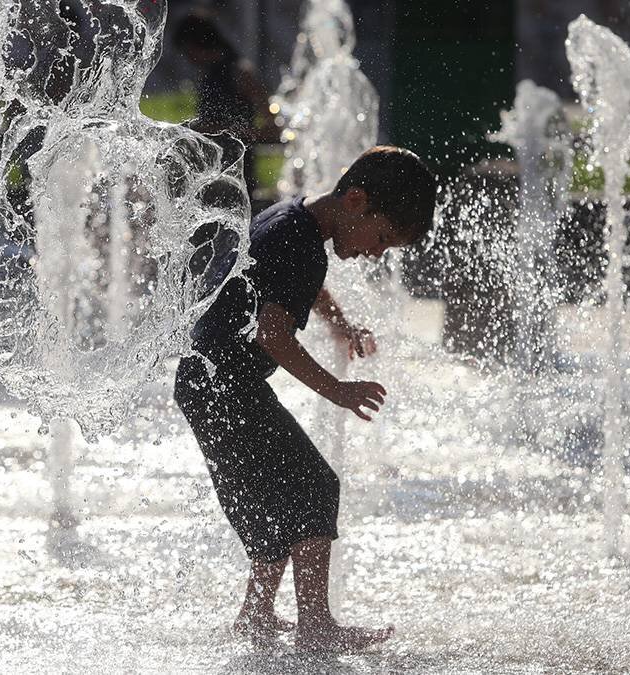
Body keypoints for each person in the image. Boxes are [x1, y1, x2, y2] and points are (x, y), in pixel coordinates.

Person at [174, 146, 437, 652]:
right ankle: (315, 625)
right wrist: (337, 390)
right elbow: (273, 334)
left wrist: (339, 323)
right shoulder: (300, 241)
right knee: (315, 486)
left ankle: (256, 615)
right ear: (356, 200)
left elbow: (300, 287)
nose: (375, 253)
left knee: (267, 503)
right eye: (381, 238)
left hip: (208, 382)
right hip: (225, 384)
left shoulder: (294, 221)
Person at [172, 8, 279, 198]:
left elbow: (273, 129)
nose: (188, 58)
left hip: (237, 173)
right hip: (210, 172)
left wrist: (224, 131)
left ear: (197, 44)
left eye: (187, 50)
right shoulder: (210, 74)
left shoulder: (240, 72)